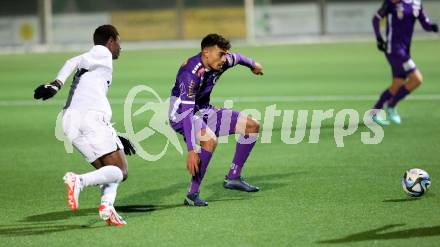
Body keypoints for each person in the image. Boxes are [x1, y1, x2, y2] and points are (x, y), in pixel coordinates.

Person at [33, 25, 135, 226]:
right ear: (110, 41)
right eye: (119, 43)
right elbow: (73, 60)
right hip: (91, 118)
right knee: (121, 171)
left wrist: (114, 138)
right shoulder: (102, 52)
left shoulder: (95, 61)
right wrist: (56, 84)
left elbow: (76, 65)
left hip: (70, 122)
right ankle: (78, 181)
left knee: (106, 172)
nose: (120, 48)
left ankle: (108, 208)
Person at [169, 33, 264, 206]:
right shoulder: (190, 73)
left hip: (203, 110)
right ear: (206, 52)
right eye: (221, 54)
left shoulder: (221, 61)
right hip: (181, 115)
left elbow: (238, 58)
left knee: (252, 126)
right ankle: (192, 194)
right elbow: (187, 114)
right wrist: (192, 150)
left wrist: (253, 65)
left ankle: (233, 178)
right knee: (209, 140)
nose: (224, 58)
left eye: (225, 54)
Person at [371, 0, 438, 125]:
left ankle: (374, 113)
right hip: (394, 50)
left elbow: (425, 23)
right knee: (417, 79)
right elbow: (376, 19)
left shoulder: (417, 3)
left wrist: (432, 27)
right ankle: (391, 105)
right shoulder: (393, 2)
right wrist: (379, 39)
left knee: (397, 84)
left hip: (405, 50)